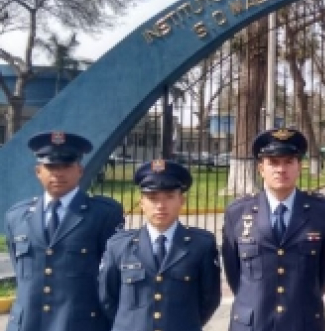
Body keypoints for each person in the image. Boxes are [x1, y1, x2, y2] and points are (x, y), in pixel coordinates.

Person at [3, 131, 124, 331]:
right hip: (28, 324)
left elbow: (112, 278)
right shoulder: (17, 216)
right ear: (38, 171)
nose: (58, 173)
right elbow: (20, 270)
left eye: (66, 166)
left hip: (80, 324)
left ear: (80, 170)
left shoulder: (102, 215)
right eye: (51, 167)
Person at [221, 128, 325, 331]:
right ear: (260, 168)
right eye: (273, 162)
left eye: (288, 162)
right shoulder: (238, 212)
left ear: (299, 166)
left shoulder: (321, 212)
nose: (281, 169)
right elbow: (234, 273)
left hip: (303, 322)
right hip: (253, 323)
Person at [98, 159, 221, 331]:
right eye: (152, 198)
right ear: (142, 203)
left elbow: (209, 299)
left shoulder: (201, 245)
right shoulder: (118, 246)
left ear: (181, 201)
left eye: (169, 197)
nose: (160, 206)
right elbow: (107, 298)